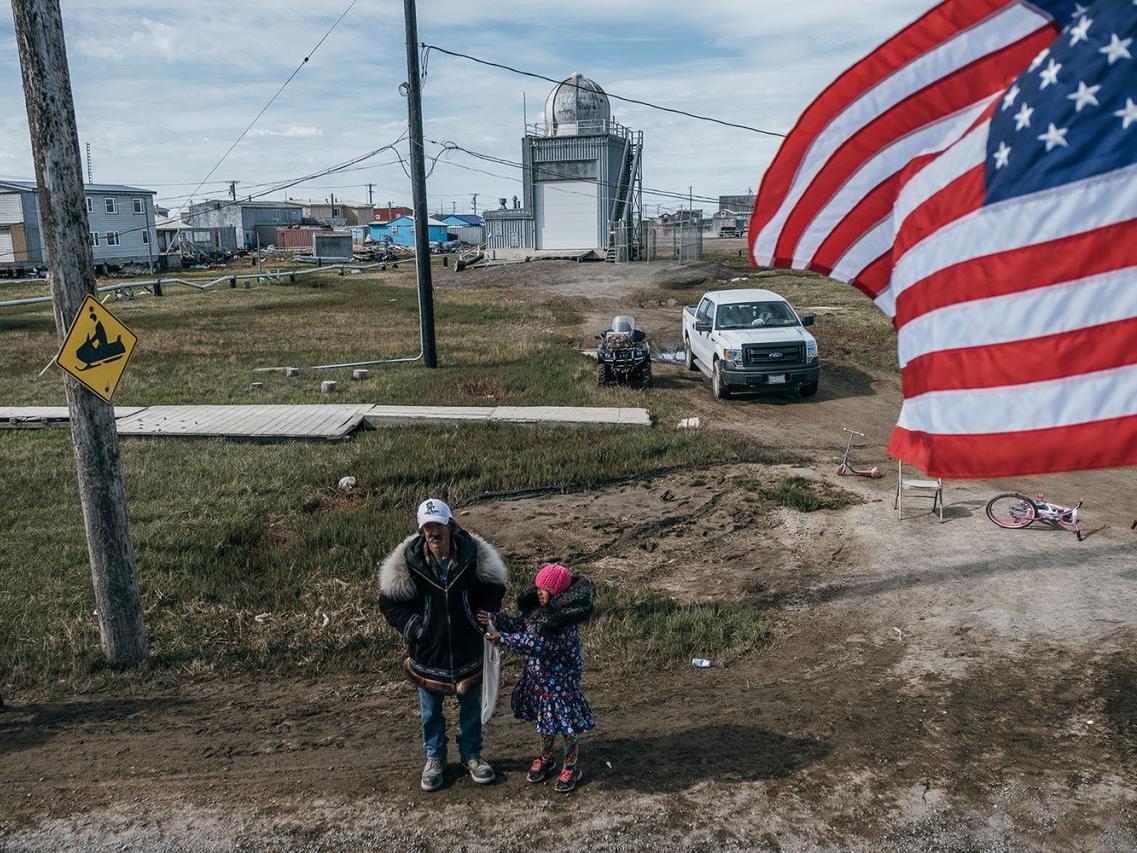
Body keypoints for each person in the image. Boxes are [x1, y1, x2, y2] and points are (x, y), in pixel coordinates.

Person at [379, 498, 507, 792]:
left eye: (438, 524)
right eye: (427, 526)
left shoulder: (473, 555)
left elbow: (495, 586)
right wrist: (414, 627)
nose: (433, 531)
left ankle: (472, 756)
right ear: (421, 529)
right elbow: (388, 603)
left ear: (449, 524)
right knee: (430, 711)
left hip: (467, 646)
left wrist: (483, 614)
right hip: (429, 651)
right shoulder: (409, 561)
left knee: (471, 708)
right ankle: (435, 758)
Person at [479, 563, 595, 793]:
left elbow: (541, 645)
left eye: (544, 589)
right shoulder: (540, 612)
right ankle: (546, 757)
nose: (539, 592)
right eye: (538, 588)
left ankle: (571, 767)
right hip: (543, 685)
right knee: (545, 725)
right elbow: (523, 626)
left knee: (567, 729)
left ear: (557, 592)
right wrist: (497, 619)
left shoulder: (563, 623)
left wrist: (505, 640)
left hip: (561, 688)